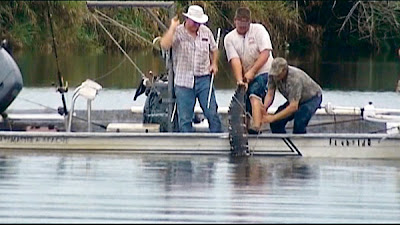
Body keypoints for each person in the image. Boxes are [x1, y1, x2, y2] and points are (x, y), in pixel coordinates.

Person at [159, 5, 222, 133]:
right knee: (185, 118)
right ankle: (187, 143)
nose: (197, 25)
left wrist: (214, 64)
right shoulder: (178, 32)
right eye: (194, 22)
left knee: (212, 113)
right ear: (187, 19)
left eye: (199, 22)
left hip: (204, 78)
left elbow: (214, 49)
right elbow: (164, 45)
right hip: (183, 81)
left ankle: (217, 138)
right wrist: (172, 28)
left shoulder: (206, 32)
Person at [223, 7, 274, 134]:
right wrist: (240, 80)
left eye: (245, 24)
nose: (243, 27)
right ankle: (244, 128)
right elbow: (234, 60)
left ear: (250, 22)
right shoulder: (229, 38)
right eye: (240, 24)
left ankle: (256, 127)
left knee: (254, 92)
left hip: (265, 71)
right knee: (242, 99)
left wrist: (252, 72)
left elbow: (265, 53)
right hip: (246, 73)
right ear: (235, 21)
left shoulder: (259, 30)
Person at [262, 57, 323, 134]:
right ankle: (282, 143)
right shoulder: (272, 75)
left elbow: (293, 107)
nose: (275, 77)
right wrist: (264, 108)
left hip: (312, 97)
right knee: (276, 123)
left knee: (299, 121)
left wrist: (272, 118)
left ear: (284, 70)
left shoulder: (294, 79)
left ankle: (300, 143)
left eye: (278, 74)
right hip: (296, 98)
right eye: (274, 74)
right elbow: (270, 93)